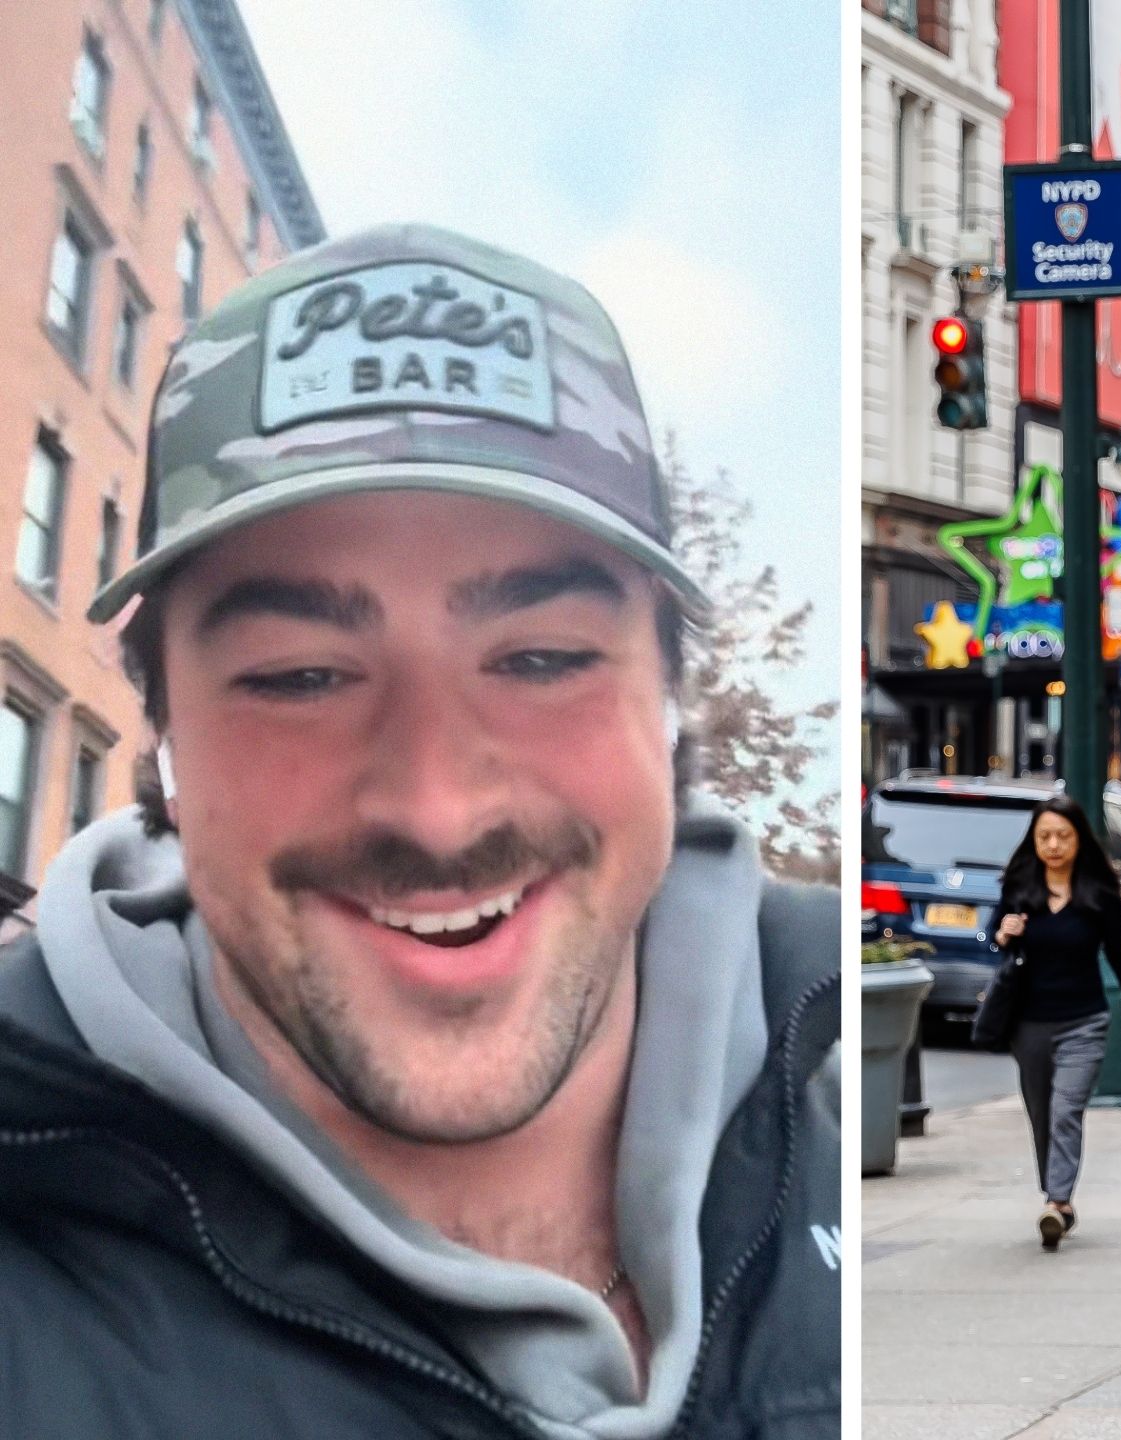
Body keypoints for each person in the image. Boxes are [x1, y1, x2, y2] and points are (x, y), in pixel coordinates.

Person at [0, 224, 838, 1433]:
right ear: (166, 744)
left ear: (666, 704)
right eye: (298, 676)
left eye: (540, 659)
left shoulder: (845, 1100)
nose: (438, 808)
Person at [989, 796, 1121, 1250]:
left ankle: (1057, 1200)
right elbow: (994, 936)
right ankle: (1055, 1197)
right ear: (1034, 841)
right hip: (1029, 1023)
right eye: (1045, 837)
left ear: (1079, 839)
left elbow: (1119, 953)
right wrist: (1004, 933)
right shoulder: (1021, 886)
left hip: (1084, 1021)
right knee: (1041, 1114)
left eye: (1063, 836)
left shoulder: (1098, 893)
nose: (1054, 845)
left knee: (1065, 1111)